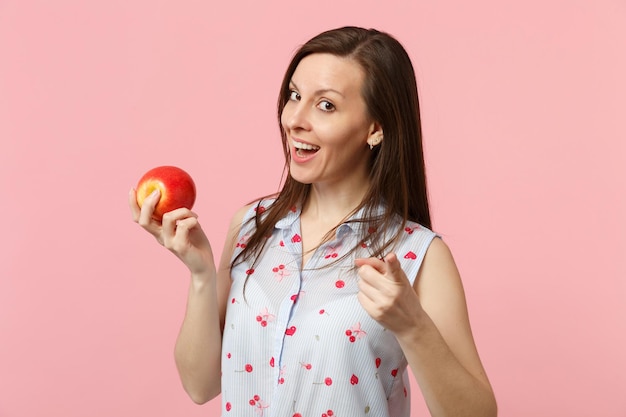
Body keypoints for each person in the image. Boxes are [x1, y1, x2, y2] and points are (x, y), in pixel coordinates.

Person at [129, 26, 497, 417]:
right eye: (294, 95)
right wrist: (201, 274)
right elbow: (200, 386)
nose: (295, 120)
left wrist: (413, 327)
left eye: (326, 106)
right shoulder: (253, 225)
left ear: (375, 128)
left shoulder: (418, 254)